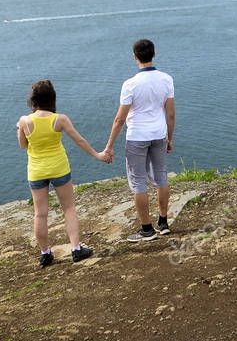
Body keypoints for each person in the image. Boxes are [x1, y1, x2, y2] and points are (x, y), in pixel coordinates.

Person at [17, 80, 107, 267]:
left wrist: (21, 130)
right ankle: (76, 249)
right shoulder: (60, 119)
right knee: (68, 208)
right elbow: (79, 140)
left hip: (36, 170)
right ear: (52, 98)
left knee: (40, 214)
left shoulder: (25, 121)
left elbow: (23, 145)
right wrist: (97, 155)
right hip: (59, 167)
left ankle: (45, 254)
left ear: (33, 100)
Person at [104, 39, 176, 242]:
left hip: (137, 137)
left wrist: (109, 146)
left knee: (138, 183)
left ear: (135, 56)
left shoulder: (130, 84)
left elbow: (119, 119)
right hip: (159, 134)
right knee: (161, 177)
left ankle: (147, 229)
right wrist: (169, 138)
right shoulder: (166, 80)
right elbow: (170, 114)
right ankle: (163, 223)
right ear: (153, 54)